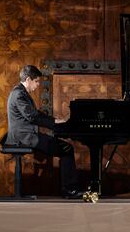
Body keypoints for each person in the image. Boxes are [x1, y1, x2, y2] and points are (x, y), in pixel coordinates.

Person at [5, 65, 82, 198]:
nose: (38, 85)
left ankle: (69, 189)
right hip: (24, 137)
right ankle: (69, 190)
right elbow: (32, 117)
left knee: (64, 148)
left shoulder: (20, 92)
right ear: (28, 79)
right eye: (36, 81)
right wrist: (54, 123)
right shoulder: (19, 94)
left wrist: (54, 121)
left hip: (25, 135)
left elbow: (35, 114)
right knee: (66, 149)